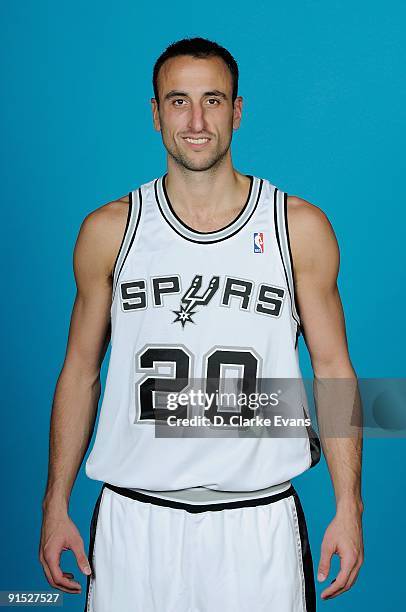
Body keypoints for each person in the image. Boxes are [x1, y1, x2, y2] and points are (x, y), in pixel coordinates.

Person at [39, 37, 364, 611]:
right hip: (134, 517)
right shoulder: (110, 230)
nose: (195, 120)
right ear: (155, 112)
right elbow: (81, 372)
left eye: (212, 100)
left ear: (237, 111)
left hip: (256, 521)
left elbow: (334, 369)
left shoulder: (298, 228)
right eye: (178, 101)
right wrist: (55, 503)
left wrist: (348, 506)